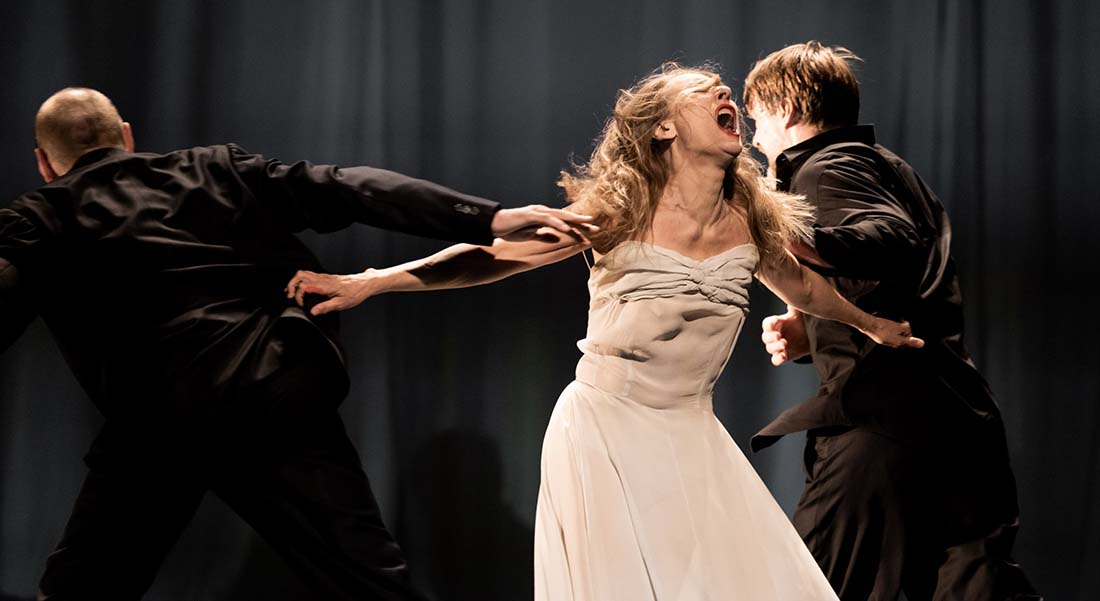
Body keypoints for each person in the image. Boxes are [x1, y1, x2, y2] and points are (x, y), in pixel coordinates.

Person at [286, 64, 923, 600]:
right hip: (606, 428)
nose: (727, 96)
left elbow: (802, 287)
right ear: (665, 127)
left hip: (692, 431)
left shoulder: (750, 218)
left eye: (726, 91)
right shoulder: (617, 212)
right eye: (708, 93)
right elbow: (487, 259)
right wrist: (368, 280)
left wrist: (870, 325)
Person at [0, 87, 594, 600]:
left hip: (157, 427)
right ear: (126, 136)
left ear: (44, 164)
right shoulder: (212, 169)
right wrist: (485, 216)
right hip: (269, 396)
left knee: (83, 588)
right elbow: (352, 187)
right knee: (369, 582)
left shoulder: (38, 219)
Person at [743, 42, 1041, 600]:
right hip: (955, 422)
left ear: (784, 111)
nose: (756, 140)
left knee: (805, 590)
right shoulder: (889, 169)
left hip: (883, 429)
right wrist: (817, 328)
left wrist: (786, 237)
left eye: (757, 120)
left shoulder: (826, 167)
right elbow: (903, 280)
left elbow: (888, 239)